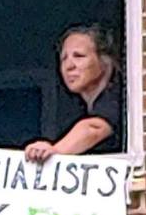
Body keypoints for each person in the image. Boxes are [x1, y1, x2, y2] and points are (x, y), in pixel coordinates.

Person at [25, 25, 122, 163]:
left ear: (105, 61)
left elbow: (94, 128)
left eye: (79, 56)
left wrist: (54, 152)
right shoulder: (76, 108)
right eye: (64, 58)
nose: (69, 66)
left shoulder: (121, 97)